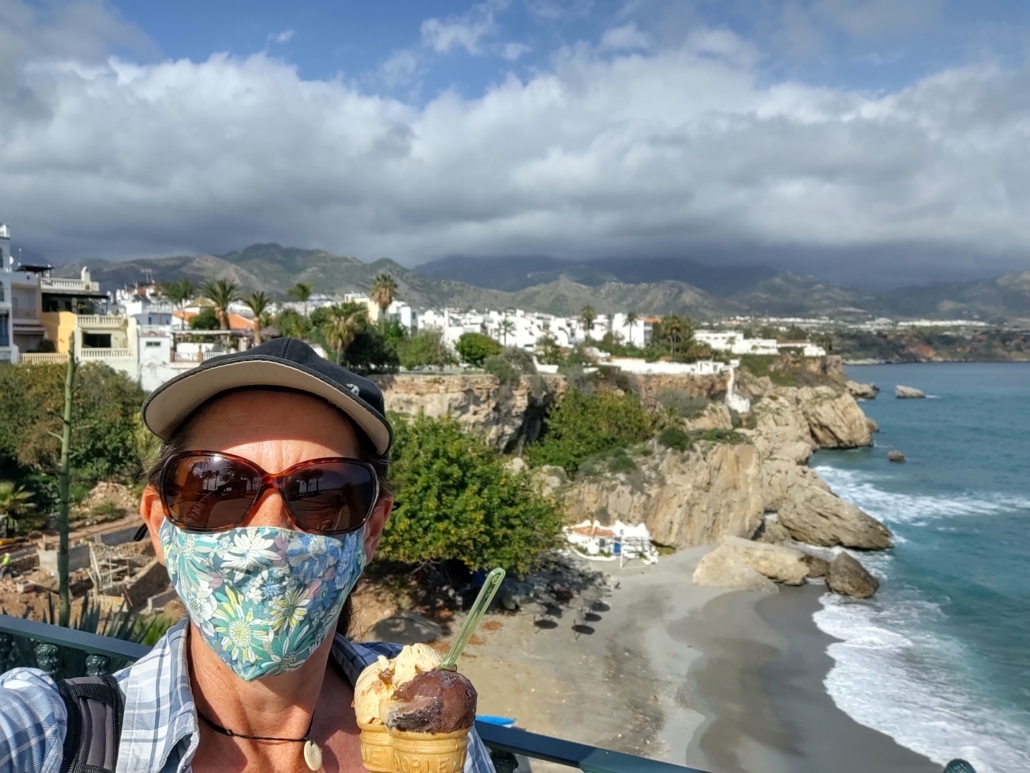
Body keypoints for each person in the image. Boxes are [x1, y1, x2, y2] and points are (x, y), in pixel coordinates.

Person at [0, 338, 496, 773]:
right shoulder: (51, 733)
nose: (270, 527)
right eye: (217, 487)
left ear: (372, 531)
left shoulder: (428, 705)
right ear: (159, 523)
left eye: (322, 492)